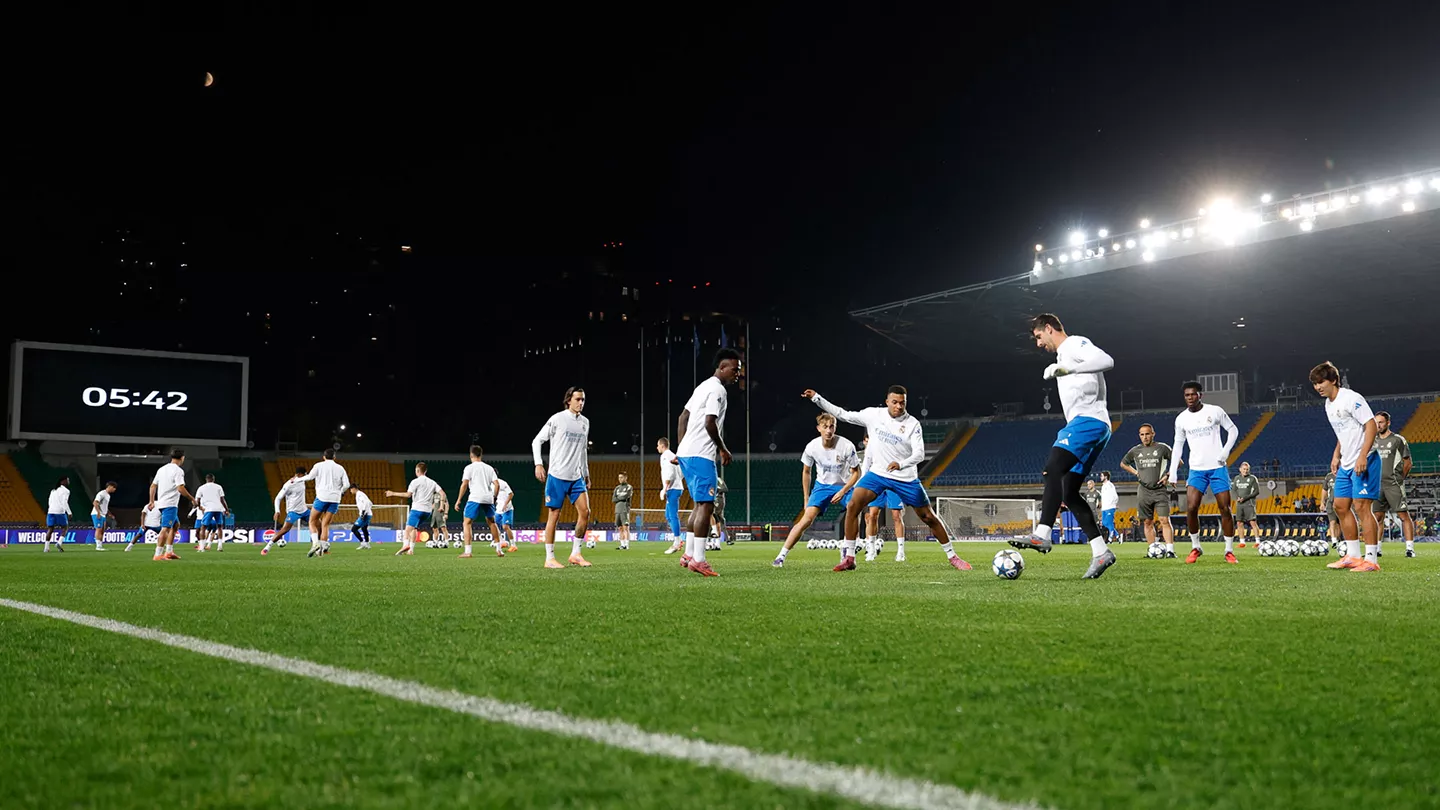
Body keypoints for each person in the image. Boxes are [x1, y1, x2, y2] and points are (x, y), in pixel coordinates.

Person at [806, 384, 971, 573]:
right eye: (895, 402)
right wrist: (816, 398)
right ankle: (850, 558)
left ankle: (953, 557)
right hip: (878, 474)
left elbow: (920, 454)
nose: (899, 407)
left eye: (902, 403)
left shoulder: (912, 424)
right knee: (853, 505)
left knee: (928, 516)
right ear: (887, 402)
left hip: (905, 477)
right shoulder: (874, 415)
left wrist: (901, 464)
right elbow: (843, 414)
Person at [1008, 313, 1116, 578]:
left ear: (1048, 328)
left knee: (1052, 469)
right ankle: (1101, 552)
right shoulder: (1063, 356)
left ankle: (1043, 533)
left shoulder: (1074, 344)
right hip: (1095, 424)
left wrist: (1069, 369)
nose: (1038, 344)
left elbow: (1107, 361)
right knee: (1068, 492)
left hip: (1087, 421)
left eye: (1038, 337)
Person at [673, 350, 743, 576]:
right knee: (707, 505)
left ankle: (689, 553)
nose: (738, 374)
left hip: (688, 453)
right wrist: (723, 448)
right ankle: (699, 560)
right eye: (735, 369)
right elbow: (710, 422)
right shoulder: (717, 390)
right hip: (701, 454)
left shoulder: (702, 386)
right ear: (722, 367)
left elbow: (682, 417)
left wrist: (682, 448)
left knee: (699, 505)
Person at [1311, 362, 1380, 571]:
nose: (1317, 387)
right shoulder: (1328, 404)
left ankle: (1371, 560)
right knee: (1340, 506)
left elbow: (1371, 425)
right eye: (1314, 383)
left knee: (1362, 507)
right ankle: (1352, 555)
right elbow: (1344, 432)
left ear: (1333, 380)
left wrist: (1362, 457)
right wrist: (1336, 454)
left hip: (1365, 459)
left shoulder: (1351, 398)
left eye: (1321, 381)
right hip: (1346, 462)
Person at [773, 413, 861, 567]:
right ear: (819, 428)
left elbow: (856, 473)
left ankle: (848, 550)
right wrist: (806, 499)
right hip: (822, 486)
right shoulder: (812, 447)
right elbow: (806, 472)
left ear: (835, 427)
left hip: (844, 485)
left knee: (854, 509)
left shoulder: (847, 446)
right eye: (825, 427)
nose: (829, 430)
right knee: (806, 519)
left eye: (832, 426)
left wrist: (842, 491)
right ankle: (781, 556)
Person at [1170, 380, 1240, 565]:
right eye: (1187, 395)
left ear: (1200, 395)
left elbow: (1233, 430)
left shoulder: (1215, 411)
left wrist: (1225, 452)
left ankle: (1229, 550)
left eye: (1193, 394)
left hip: (1217, 467)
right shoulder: (1181, 419)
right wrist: (1172, 472)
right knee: (1191, 508)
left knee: (1225, 508)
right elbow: (1178, 445)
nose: (1190, 398)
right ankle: (1196, 547)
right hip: (1196, 469)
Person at [532, 387, 593, 569]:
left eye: (583, 400)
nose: (581, 403)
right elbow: (537, 441)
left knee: (585, 512)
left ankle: (576, 553)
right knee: (554, 515)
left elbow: (583, 450)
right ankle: (549, 558)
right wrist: (538, 464)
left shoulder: (585, 423)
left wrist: (586, 474)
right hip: (557, 475)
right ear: (569, 400)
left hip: (576, 477)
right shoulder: (557, 419)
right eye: (577, 399)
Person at [1120, 423, 1176, 557]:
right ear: (1139, 436)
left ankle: (1170, 551)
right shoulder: (1135, 450)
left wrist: (1168, 475)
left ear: (1153, 434)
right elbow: (1123, 463)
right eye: (1142, 434)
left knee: (1164, 520)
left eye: (1147, 434)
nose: (1145, 437)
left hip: (1160, 490)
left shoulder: (1162, 448)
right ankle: (1152, 550)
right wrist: (1135, 472)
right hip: (1143, 490)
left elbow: (1177, 462)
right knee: (1147, 522)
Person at [1372, 411, 1416, 557]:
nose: (1378, 425)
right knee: (1377, 517)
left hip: (1393, 484)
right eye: (1376, 422)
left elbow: (1408, 462)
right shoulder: (1372, 440)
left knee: (1403, 515)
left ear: (1388, 423)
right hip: (1377, 485)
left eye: (1381, 422)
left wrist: (1399, 479)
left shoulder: (1398, 440)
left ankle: (1410, 549)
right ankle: (1377, 549)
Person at [859, 436, 908, 562]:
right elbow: (867, 463)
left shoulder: (891, 440)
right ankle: (871, 550)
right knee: (872, 515)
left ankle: (901, 551)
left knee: (896, 515)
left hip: (894, 480)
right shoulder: (870, 449)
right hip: (877, 482)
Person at [296, 448, 351, 557]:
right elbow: (347, 485)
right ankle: (321, 552)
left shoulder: (318, 465)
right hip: (335, 499)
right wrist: (340, 492)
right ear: (335, 457)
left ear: (324, 457)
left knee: (312, 521)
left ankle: (315, 544)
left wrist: (297, 480)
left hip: (322, 497)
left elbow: (310, 477)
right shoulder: (340, 468)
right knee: (325, 525)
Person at [386, 462, 446, 556]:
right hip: (427, 512)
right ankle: (411, 550)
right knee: (414, 528)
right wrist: (442, 506)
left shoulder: (415, 481)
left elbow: (408, 495)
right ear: (425, 471)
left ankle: (405, 545)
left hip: (417, 509)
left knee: (407, 530)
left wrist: (392, 493)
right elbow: (442, 493)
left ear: (417, 470)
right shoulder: (432, 482)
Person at [147, 449, 196, 561]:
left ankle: (169, 551)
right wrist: (192, 499)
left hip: (161, 503)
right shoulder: (178, 471)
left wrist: (151, 501)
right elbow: (180, 488)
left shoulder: (162, 469)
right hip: (170, 503)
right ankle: (158, 554)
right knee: (165, 528)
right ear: (182, 458)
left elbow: (153, 486)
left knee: (175, 525)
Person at [455, 445, 502, 558]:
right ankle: (499, 549)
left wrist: (458, 500)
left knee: (467, 523)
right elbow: (497, 484)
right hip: (488, 498)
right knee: (492, 522)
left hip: (475, 497)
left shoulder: (469, 468)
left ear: (471, 455)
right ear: (481, 455)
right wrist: (494, 497)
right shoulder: (489, 468)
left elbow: (464, 484)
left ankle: (468, 551)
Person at [263, 465, 309, 556]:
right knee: (285, 530)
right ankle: (267, 547)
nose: (305, 476)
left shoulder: (303, 480)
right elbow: (278, 498)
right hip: (293, 511)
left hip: (304, 510)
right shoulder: (289, 485)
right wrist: (277, 511)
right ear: (299, 474)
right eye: (304, 474)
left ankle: (321, 546)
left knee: (318, 524)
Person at [657, 437, 687, 554]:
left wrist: (665, 488)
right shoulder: (673, 456)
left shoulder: (665, 456)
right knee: (668, 515)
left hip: (672, 488)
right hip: (676, 487)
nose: (657, 448)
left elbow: (669, 472)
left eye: (658, 445)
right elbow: (681, 471)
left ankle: (677, 542)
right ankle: (677, 540)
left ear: (662, 445)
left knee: (673, 515)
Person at [194, 474, 230, 552]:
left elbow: (198, 501)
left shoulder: (201, 488)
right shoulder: (218, 487)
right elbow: (222, 500)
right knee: (220, 527)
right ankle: (220, 546)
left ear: (206, 479)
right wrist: (226, 510)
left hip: (208, 509)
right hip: (218, 509)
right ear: (213, 479)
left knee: (203, 527)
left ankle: (202, 547)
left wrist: (201, 508)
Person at [1232, 462, 1262, 549]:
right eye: (1244, 469)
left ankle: (1257, 541)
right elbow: (1233, 490)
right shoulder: (1236, 478)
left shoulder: (1252, 478)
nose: (1245, 471)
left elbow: (1256, 491)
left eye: (1247, 469)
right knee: (1239, 522)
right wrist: (1237, 497)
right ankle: (1242, 542)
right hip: (1239, 504)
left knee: (1252, 522)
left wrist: (1245, 498)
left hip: (1249, 503)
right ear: (1240, 469)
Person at [42, 475, 73, 553]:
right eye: (67, 480)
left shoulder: (53, 490)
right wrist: (69, 512)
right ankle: (59, 542)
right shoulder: (66, 491)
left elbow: (49, 501)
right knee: (65, 528)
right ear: (63, 481)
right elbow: (64, 502)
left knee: (50, 529)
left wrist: (51, 508)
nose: (68, 481)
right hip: (60, 511)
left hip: (51, 511)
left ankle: (46, 548)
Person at [90, 481, 117, 551]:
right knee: (98, 529)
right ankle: (98, 546)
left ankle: (100, 545)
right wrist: (98, 512)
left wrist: (109, 514)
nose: (114, 489)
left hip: (103, 514)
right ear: (110, 486)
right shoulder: (102, 493)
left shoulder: (108, 495)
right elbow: (95, 502)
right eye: (114, 488)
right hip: (97, 514)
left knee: (102, 530)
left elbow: (105, 506)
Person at [494, 478, 518, 552]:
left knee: (505, 526)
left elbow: (511, 494)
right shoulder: (490, 484)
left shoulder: (503, 483)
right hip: (498, 508)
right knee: (494, 524)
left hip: (507, 508)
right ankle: (502, 542)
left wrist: (505, 504)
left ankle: (513, 545)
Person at [612, 472, 633, 550]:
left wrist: (619, 498)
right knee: (620, 528)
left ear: (625, 478)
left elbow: (626, 496)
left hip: (625, 509)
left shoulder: (629, 487)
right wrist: (621, 497)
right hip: (617, 509)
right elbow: (613, 499)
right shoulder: (617, 488)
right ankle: (622, 544)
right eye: (619, 477)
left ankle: (627, 545)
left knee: (625, 527)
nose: (620, 479)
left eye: (621, 477)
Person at [1098, 471, 1119, 542]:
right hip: (1104, 507)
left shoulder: (1110, 485)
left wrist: (1113, 504)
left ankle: (1110, 537)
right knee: (1104, 523)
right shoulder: (1103, 486)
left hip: (1109, 507)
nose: (1100, 477)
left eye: (1102, 476)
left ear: (1106, 477)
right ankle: (1117, 535)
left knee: (1109, 523)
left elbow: (1115, 496)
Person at [1321, 470, 1339, 544]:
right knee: (1332, 521)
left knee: (1340, 523)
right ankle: (1334, 540)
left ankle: (1339, 539)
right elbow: (1324, 490)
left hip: (1342, 502)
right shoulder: (1329, 476)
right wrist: (1322, 502)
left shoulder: (1345, 474)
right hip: (1330, 503)